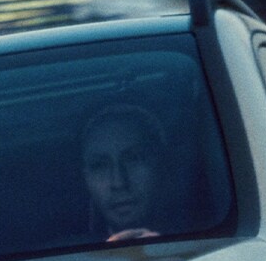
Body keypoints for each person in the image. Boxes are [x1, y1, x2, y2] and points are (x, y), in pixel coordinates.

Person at [78, 101, 193, 244]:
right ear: (85, 178)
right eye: (99, 166)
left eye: (134, 159)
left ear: (162, 165)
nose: (118, 182)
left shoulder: (209, 244)